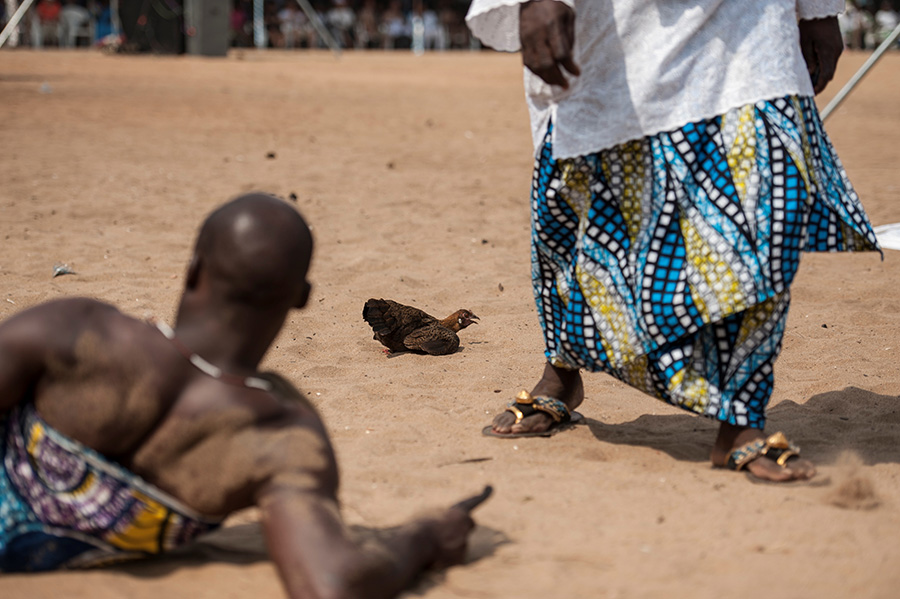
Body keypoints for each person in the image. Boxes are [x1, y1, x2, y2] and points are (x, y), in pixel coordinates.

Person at [466, 1, 881, 482]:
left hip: (751, 24)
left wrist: (819, 9)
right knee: (582, 223)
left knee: (767, 224)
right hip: (618, 32)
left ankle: (741, 424)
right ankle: (562, 369)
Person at [0, 193, 490, 596]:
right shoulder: (278, 435)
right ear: (299, 298)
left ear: (193, 269)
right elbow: (332, 583)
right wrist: (424, 536)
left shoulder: (76, 330)